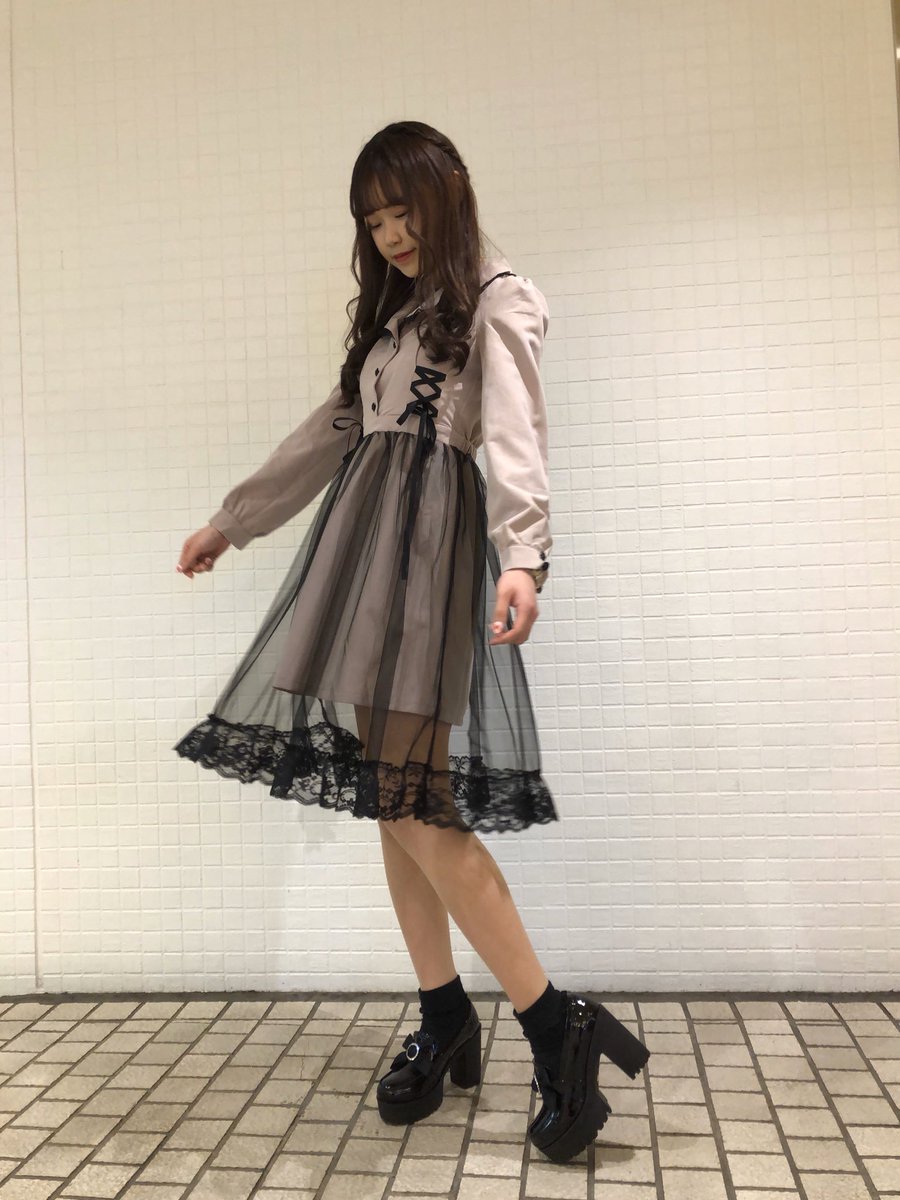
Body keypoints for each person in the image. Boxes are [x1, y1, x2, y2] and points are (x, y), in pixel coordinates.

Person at [173, 120, 649, 1163]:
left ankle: (552, 1021)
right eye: (374, 219)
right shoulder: (392, 325)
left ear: (448, 195)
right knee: (393, 805)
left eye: (404, 211)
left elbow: (516, 432)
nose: (390, 233)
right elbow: (328, 432)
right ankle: (444, 1013)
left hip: (426, 559)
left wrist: (524, 556)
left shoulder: (496, 299)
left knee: (415, 803)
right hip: (361, 559)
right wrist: (233, 521)